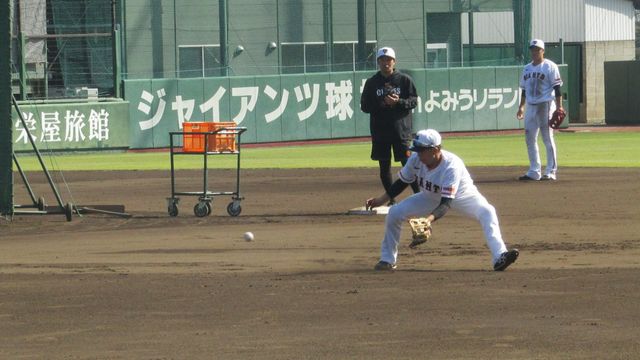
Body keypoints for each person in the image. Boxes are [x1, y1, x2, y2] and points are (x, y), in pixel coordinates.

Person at [365, 129, 519, 272]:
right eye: (417, 150)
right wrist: (382, 199)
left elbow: (446, 203)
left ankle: (499, 256)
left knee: (487, 211)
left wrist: (428, 220)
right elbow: (402, 182)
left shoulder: (451, 166)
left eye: (422, 151)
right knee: (394, 212)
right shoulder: (415, 159)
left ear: (436, 149)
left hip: (462, 196)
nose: (418, 154)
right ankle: (387, 259)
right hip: (428, 196)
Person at [361, 46, 420, 204]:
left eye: (389, 60)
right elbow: (364, 106)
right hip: (380, 132)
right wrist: (382, 103)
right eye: (382, 60)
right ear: (378, 62)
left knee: (408, 165)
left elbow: (414, 101)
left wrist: (398, 102)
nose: (386, 63)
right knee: (384, 167)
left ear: (394, 62)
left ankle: (419, 195)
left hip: (401, 131)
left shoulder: (404, 80)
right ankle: (391, 199)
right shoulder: (372, 83)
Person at [516, 39, 564, 181]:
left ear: (543, 51)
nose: (534, 52)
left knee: (547, 137)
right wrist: (521, 106)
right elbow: (524, 90)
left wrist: (559, 106)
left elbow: (557, 88)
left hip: (546, 104)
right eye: (532, 49)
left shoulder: (550, 66)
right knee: (529, 138)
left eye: (537, 49)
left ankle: (551, 171)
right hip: (531, 106)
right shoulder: (527, 68)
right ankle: (534, 170)